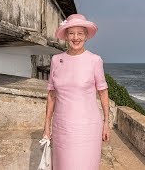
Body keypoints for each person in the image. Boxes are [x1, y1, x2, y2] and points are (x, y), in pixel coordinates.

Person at [42, 14, 110, 170]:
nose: (76, 37)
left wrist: (106, 123)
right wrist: (47, 126)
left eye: (80, 33)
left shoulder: (95, 60)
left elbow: (103, 92)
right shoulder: (56, 60)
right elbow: (52, 94)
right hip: (61, 127)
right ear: (66, 36)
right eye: (71, 33)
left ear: (86, 36)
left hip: (87, 128)